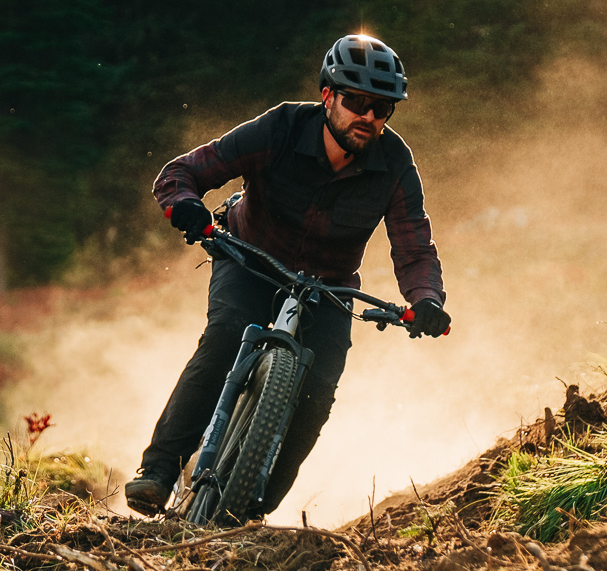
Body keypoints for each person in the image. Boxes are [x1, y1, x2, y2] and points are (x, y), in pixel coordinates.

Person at [123, 33, 451, 518]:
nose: (368, 117)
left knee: (320, 388)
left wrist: (426, 299)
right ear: (327, 96)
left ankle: (250, 510)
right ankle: (160, 470)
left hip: (328, 287)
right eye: (357, 101)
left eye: (382, 109)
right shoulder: (279, 128)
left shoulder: (395, 164)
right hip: (249, 258)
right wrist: (187, 206)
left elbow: (414, 244)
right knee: (226, 335)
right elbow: (182, 172)